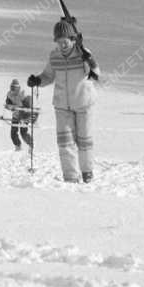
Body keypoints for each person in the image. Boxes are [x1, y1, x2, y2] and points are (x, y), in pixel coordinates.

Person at [28, 18, 100, 183]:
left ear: (72, 39)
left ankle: (87, 172)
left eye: (65, 41)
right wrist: (37, 81)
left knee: (84, 141)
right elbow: (48, 76)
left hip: (84, 103)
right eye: (59, 41)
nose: (62, 44)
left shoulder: (83, 53)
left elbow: (96, 74)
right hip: (62, 105)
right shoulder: (54, 56)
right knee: (65, 143)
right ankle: (70, 176)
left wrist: (88, 59)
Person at [4, 78, 34, 151]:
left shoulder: (23, 94)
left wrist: (26, 113)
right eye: (12, 87)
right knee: (13, 133)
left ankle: (31, 145)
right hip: (16, 115)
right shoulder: (9, 94)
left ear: (18, 88)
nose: (13, 90)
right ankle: (18, 146)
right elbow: (8, 104)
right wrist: (9, 106)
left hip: (24, 116)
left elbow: (29, 105)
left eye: (15, 88)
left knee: (23, 133)